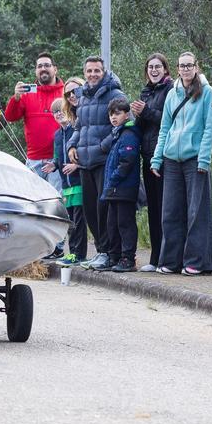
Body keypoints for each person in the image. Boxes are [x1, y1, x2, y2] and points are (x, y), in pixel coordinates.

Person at [150, 52, 212, 275]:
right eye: (182, 66)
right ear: (177, 69)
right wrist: (157, 158)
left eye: (190, 65)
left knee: (196, 212)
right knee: (170, 211)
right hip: (172, 159)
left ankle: (196, 261)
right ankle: (171, 260)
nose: (186, 69)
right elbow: (165, 128)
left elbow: (210, 127)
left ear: (196, 67)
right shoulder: (172, 93)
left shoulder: (206, 92)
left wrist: (205, 158)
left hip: (194, 158)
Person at [66, 56, 127, 269]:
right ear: (84, 74)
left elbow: (122, 123)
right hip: (85, 162)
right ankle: (101, 251)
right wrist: (71, 146)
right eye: (89, 71)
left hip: (104, 161)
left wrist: (104, 146)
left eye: (97, 71)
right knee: (90, 210)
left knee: (105, 210)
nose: (93, 74)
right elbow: (78, 126)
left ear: (104, 72)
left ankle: (112, 253)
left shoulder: (114, 94)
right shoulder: (83, 97)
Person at [135, 54, 172, 272]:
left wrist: (146, 111)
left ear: (166, 70)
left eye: (158, 66)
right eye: (150, 67)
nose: (154, 70)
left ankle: (168, 257)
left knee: (166, 208)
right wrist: (137, 114)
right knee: (154, 210)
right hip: (147, 156)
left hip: (165, 156)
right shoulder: (146, 91)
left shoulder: (170, 90)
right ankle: (155, 257)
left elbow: (168, 119)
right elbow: (143, 124)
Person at [97, 98, 142, 273]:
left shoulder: (129, 134)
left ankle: (128, 258)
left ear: (126, 114)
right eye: (111, 114)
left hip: (124, 188)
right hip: (114, 189)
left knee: (125, 223)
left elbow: (127, 161)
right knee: (112, 224)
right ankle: (114, 256)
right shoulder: (118, 134)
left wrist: (113, 180)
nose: (113, 117)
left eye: (117, 113)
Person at [4, 53, 62, 169]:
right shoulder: (27, 94)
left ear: (55, 69)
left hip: (58, 158)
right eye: (39, 66)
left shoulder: (65, 92)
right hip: (34, 160)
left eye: (47, 65)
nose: (43, 69)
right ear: (36, 70)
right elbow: (10, 117)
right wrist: (15, 99)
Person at [51, 96, 87, 265]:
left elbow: (85, 154)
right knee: (70, 222)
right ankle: (72, 253)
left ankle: (79, 254)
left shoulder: (76, 130)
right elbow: (58, 156)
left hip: (78, 183)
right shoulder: (57, 135)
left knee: (79, 222)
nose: (57, 114)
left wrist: (76, 166)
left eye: (60, 110)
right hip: (66, 186)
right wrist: (53, 165)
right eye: (54, 112)